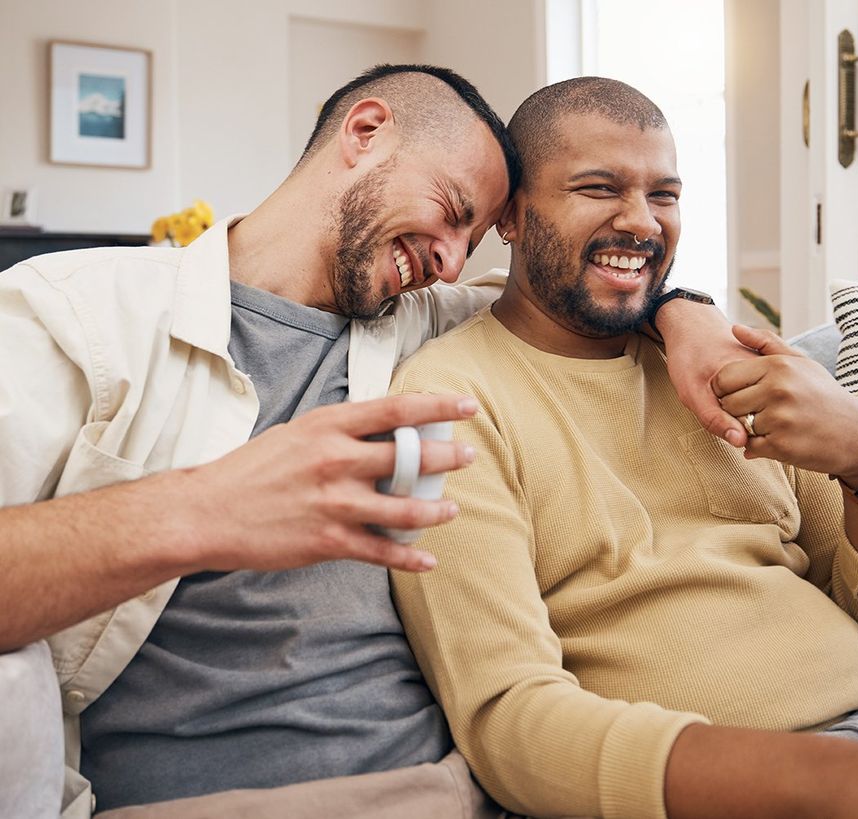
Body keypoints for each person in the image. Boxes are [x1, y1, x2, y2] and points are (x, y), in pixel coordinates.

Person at [0, 66, 747, 818]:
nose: (452, 260)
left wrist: (686, 313)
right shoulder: (79, 313)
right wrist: (202, 508)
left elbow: (580, 285)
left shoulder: (433, 320)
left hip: (459, 786)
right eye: (452, 210)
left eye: (473, 236)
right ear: (366, 132)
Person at [389, 76, 858, 819]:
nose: (641, 222)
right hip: (743, 789)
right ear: (510, 213)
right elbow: (512, 725)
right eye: (599, 187)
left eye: (664, 195)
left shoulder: (723, 366)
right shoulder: (448, 399)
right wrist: (839, 780)